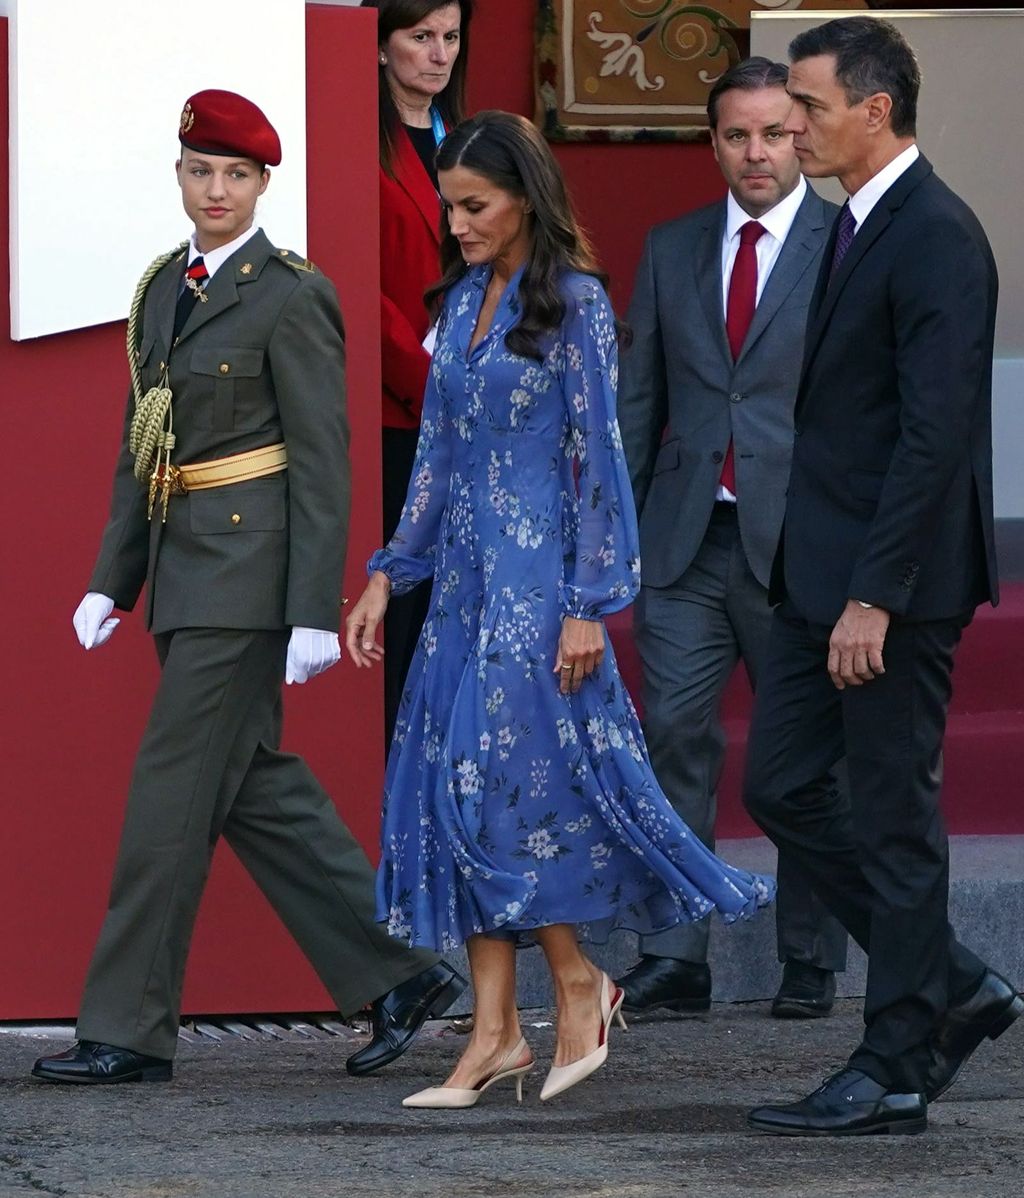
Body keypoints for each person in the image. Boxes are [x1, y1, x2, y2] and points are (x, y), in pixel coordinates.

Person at [32, 89, 464, 1087]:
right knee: (250, 788)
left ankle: (128, 1030)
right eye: (200, 170)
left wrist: (314, 603)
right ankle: (399, 974)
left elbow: (324, 457)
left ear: (265, 183)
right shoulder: (159, 290)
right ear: (179, 175)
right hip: (185, 574)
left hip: (246, 581)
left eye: (236, 174)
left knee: (165, 803)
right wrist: (114, 578)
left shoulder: (291, 293)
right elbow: (147, 448)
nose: (215, 189)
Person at [344, 110, 775, 1110]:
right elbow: (439, 459)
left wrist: (588, 601)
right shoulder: (457, 306)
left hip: (538, 589)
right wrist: (384, 573)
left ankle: (573, 985)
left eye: (473, 206)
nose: (455, 222)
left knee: (503, 790)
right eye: (450, 205)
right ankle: (498, 1030)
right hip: (460, 585)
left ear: (524, 201)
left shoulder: (575, 304)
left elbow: (598, 459)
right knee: (458, 790)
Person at [740, 18, 1021, 1136]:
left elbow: (933, 433)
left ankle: (897, 1060)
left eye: (806, 106)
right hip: (820, 576)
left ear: (873, 110)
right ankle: (948, 981)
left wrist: (877, 592)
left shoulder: (937, 234)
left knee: (894, 819)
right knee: (781, 785)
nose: (790, 126)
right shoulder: (853, 222)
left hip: (887, 588)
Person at [616, 57, 847, 1021]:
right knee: (673, 737)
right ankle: (677, 955)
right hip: (685, 538)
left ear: (800, 133)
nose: (756, 152)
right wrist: (608, 534)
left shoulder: (847, 245)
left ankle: (810, 959)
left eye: (773, 132)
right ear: (713, 143)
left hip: (800, 542)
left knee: (805, 759)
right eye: (736, 135)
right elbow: (640, 400)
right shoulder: (672, 248)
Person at [363, 0, 474, 750]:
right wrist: (428, 376)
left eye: (451, 38)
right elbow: (353, 280)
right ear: (379, 47)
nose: (438, 55)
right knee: (402, 607)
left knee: (457, 601)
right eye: (420, 37)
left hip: (473, 401)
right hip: (399, 409)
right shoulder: (355, 142)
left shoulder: (467, 142)